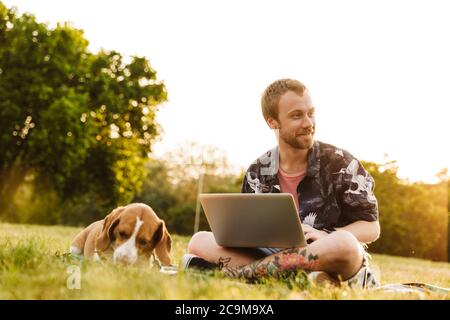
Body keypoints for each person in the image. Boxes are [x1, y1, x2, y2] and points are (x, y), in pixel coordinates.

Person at [180, 79, 381, 288]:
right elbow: (245, 232)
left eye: (310, 113)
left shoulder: (342, 163)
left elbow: (371, 227)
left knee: (345, 244)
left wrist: (325, 235)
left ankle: (240, 275)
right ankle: (304, 280)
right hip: (271, 254)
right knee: (199, 240)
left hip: (326, 254)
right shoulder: (257, 171)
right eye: (297, 115)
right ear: (272, 122)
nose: (308, 123)